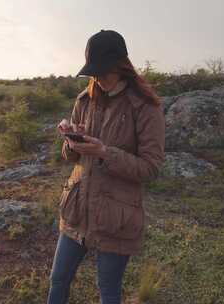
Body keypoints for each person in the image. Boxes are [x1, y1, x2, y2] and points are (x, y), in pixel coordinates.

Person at [47, 29, 166, 304]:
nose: (98, 79)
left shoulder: (145, 107)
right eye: (93, 72)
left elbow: (151, 168)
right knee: (58, 279)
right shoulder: (85, 100)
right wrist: (71, 140)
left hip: (117, 216)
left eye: (102, 71)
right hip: (77, 208)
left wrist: (104, 153)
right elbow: (71, 158)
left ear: (120, 66)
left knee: (108, 291)